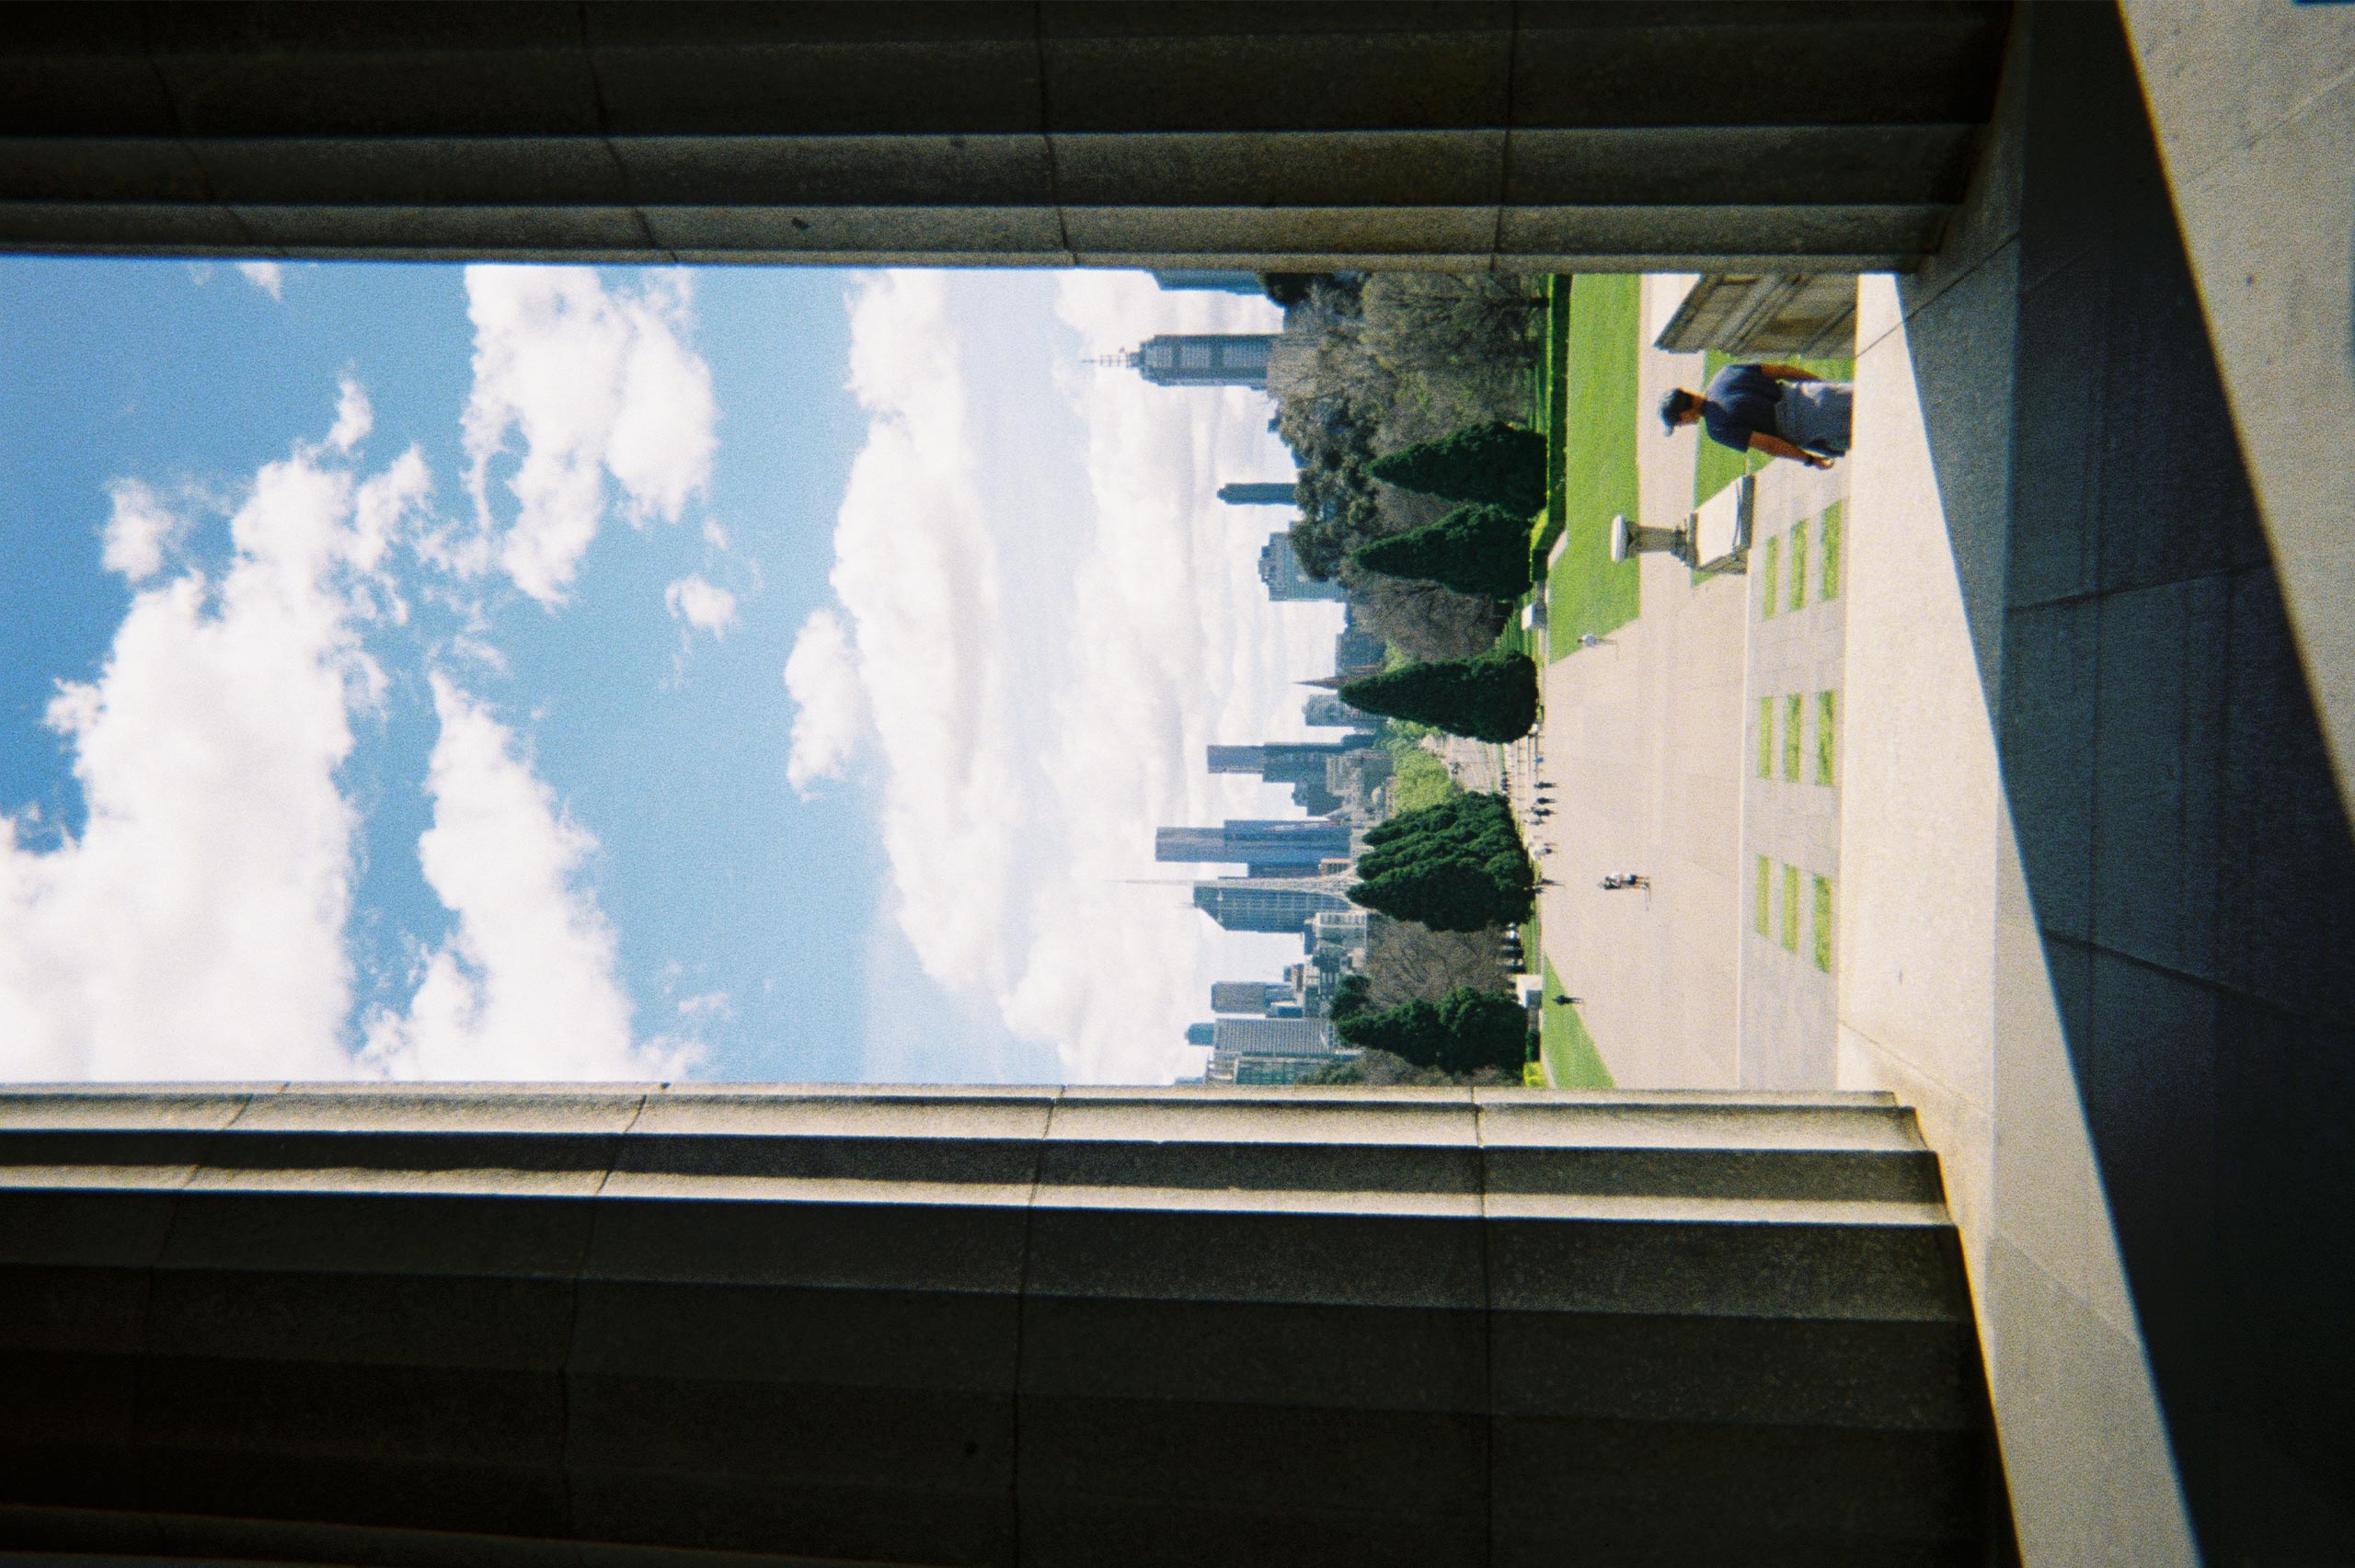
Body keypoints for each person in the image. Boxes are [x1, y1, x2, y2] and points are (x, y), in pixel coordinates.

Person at [1659, 362, 1851, 468]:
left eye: (1678, 423)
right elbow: (1782, 370)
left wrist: (1810, 460)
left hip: (1808, 425)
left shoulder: (1717, 428)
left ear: (1683, 415)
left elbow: (1770, 445)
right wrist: (1821, 385)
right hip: (1810, 392)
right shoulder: (1725, 373)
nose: (1682, 425)